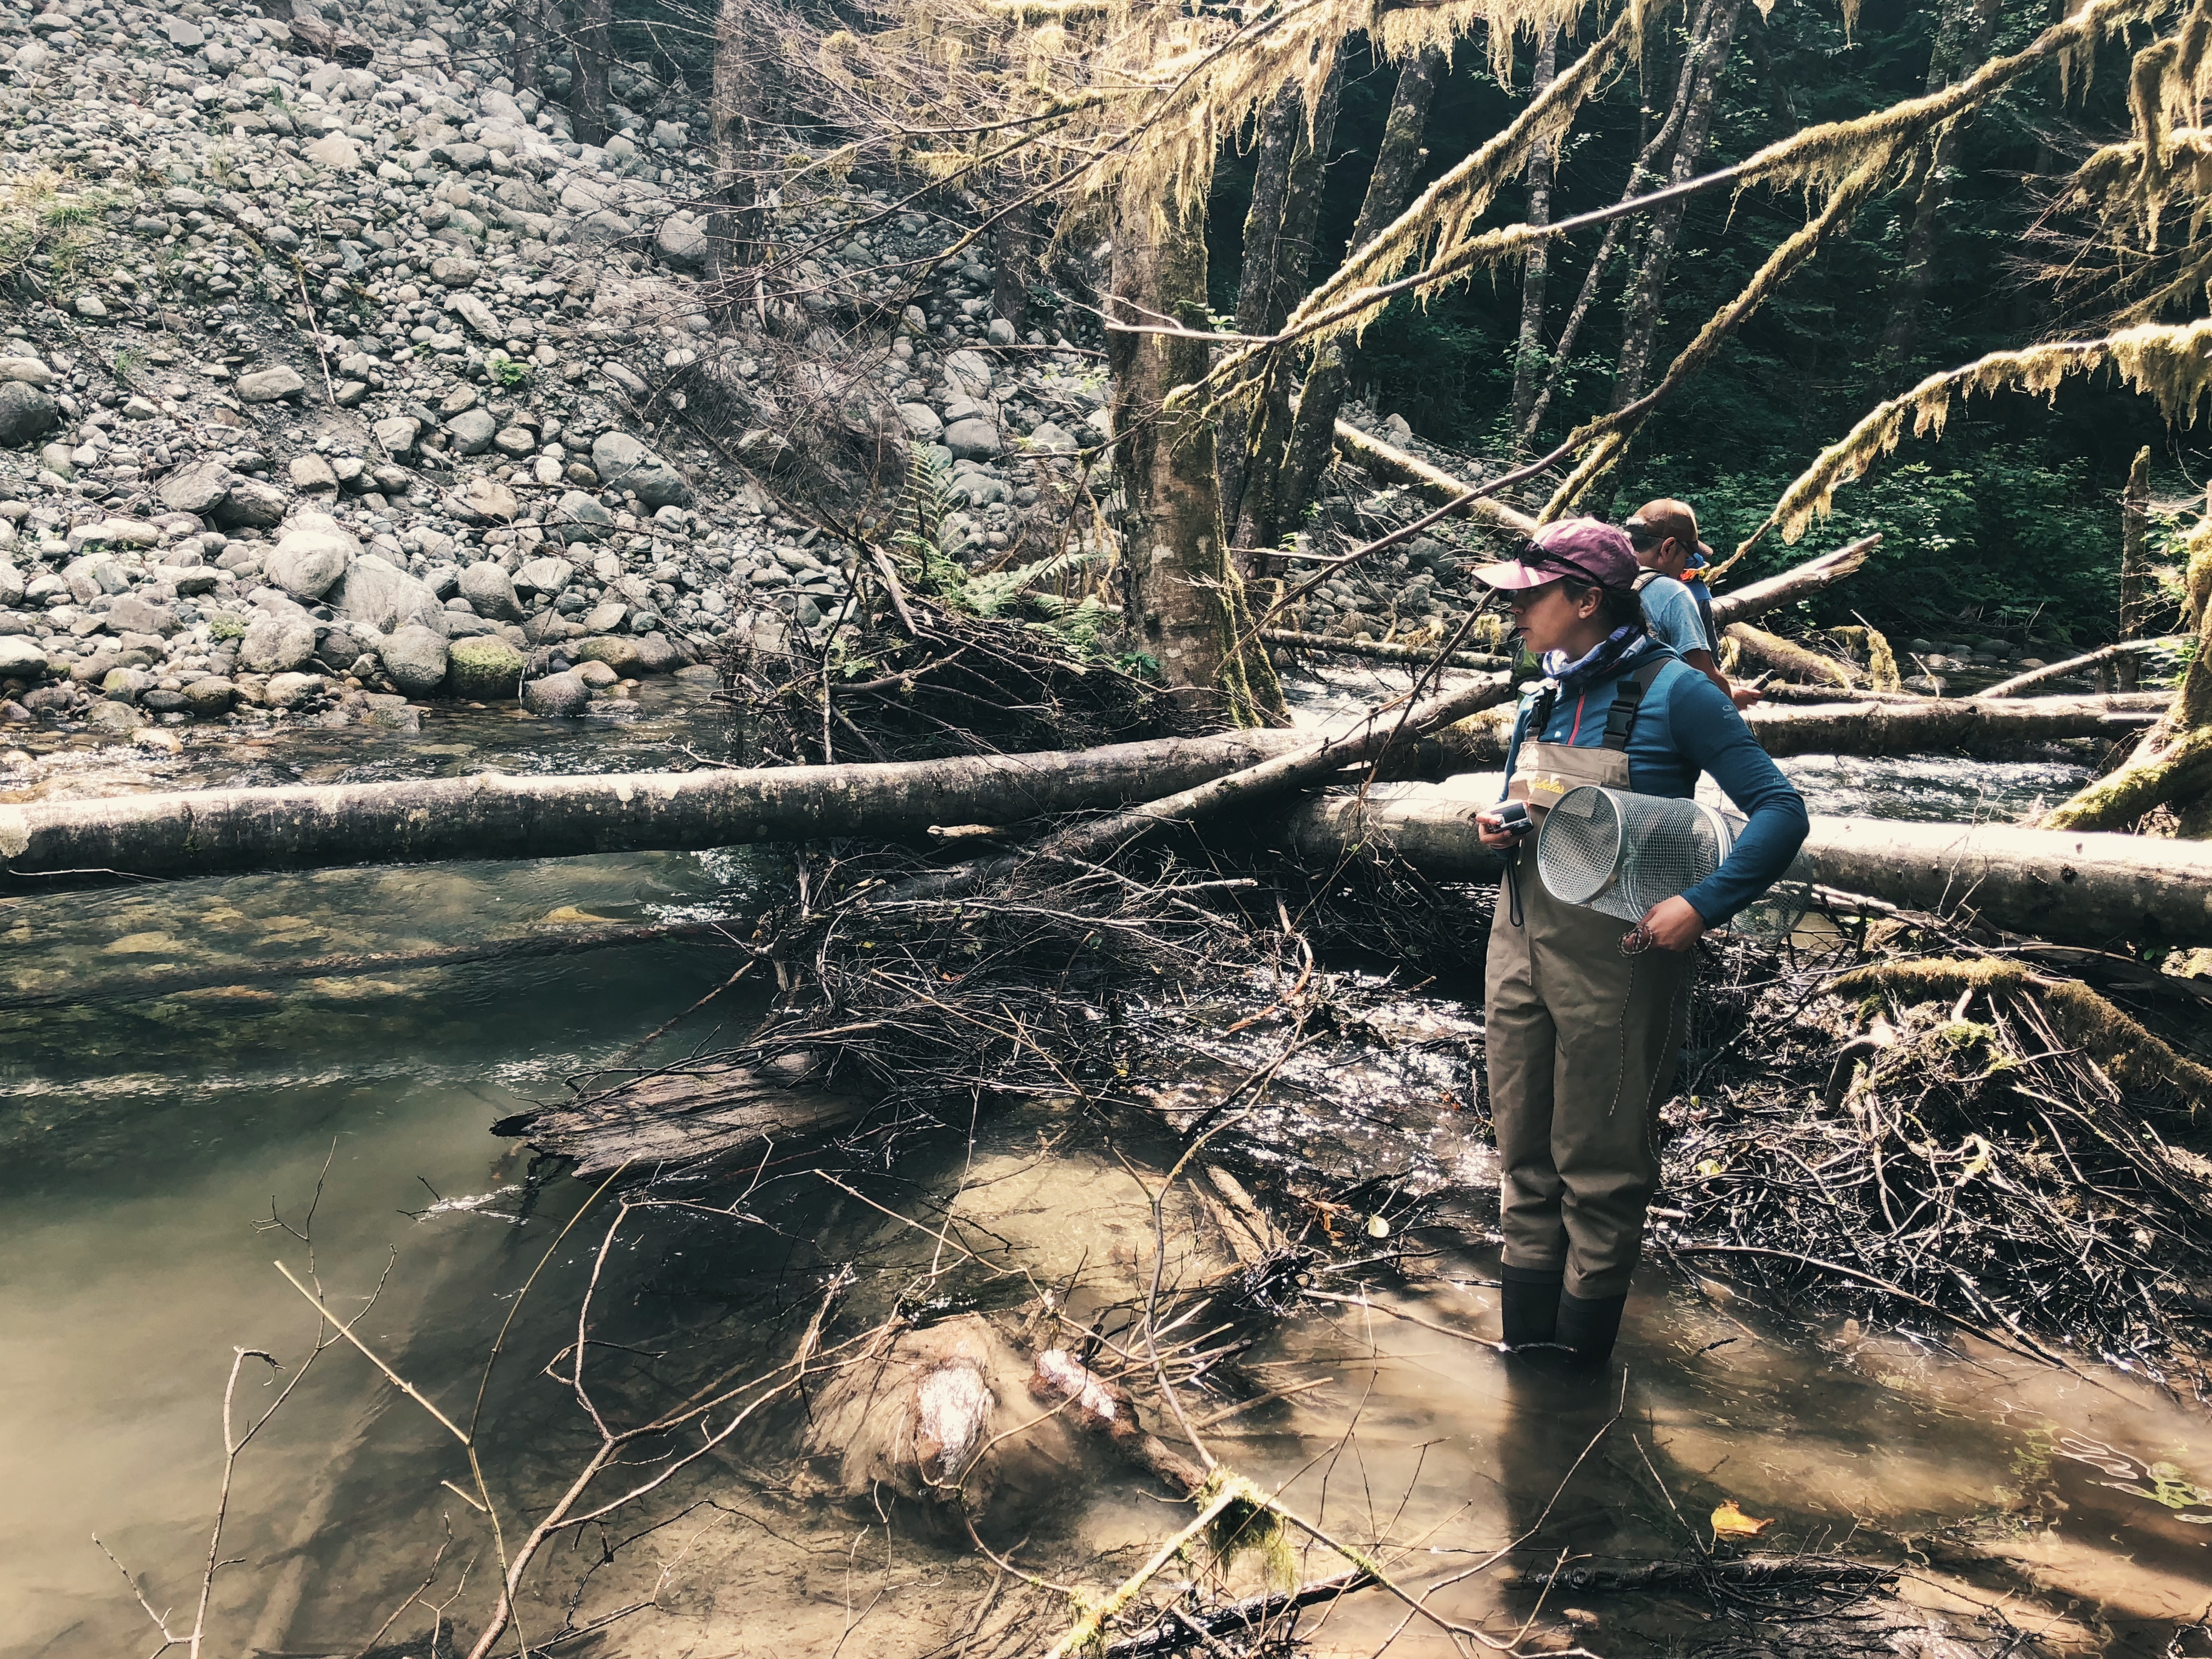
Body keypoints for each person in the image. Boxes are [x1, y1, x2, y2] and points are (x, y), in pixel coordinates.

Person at [1470, 518, 1808, 1368]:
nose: (1512, 611)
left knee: (1601, 1168)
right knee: (1523, 1154)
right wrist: (1508, 821)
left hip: (1620, 956)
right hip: (1518, 938)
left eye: (1528, 596)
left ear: (1587, 600)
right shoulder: (1542, 688)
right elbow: (1551, 807)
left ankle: (1576, 1387)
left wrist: (1703, 904)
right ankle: (1525, 1371)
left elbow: (1780, 812)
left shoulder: (1676, 692)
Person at [1625, 498, 1760, 709]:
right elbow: (1701, 673)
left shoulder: (1601, 578)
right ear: (1668, 548)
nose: (1683, 570)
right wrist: (1732, 698)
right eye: (1686, 559)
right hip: (1647, 716)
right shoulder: (1671, 592)